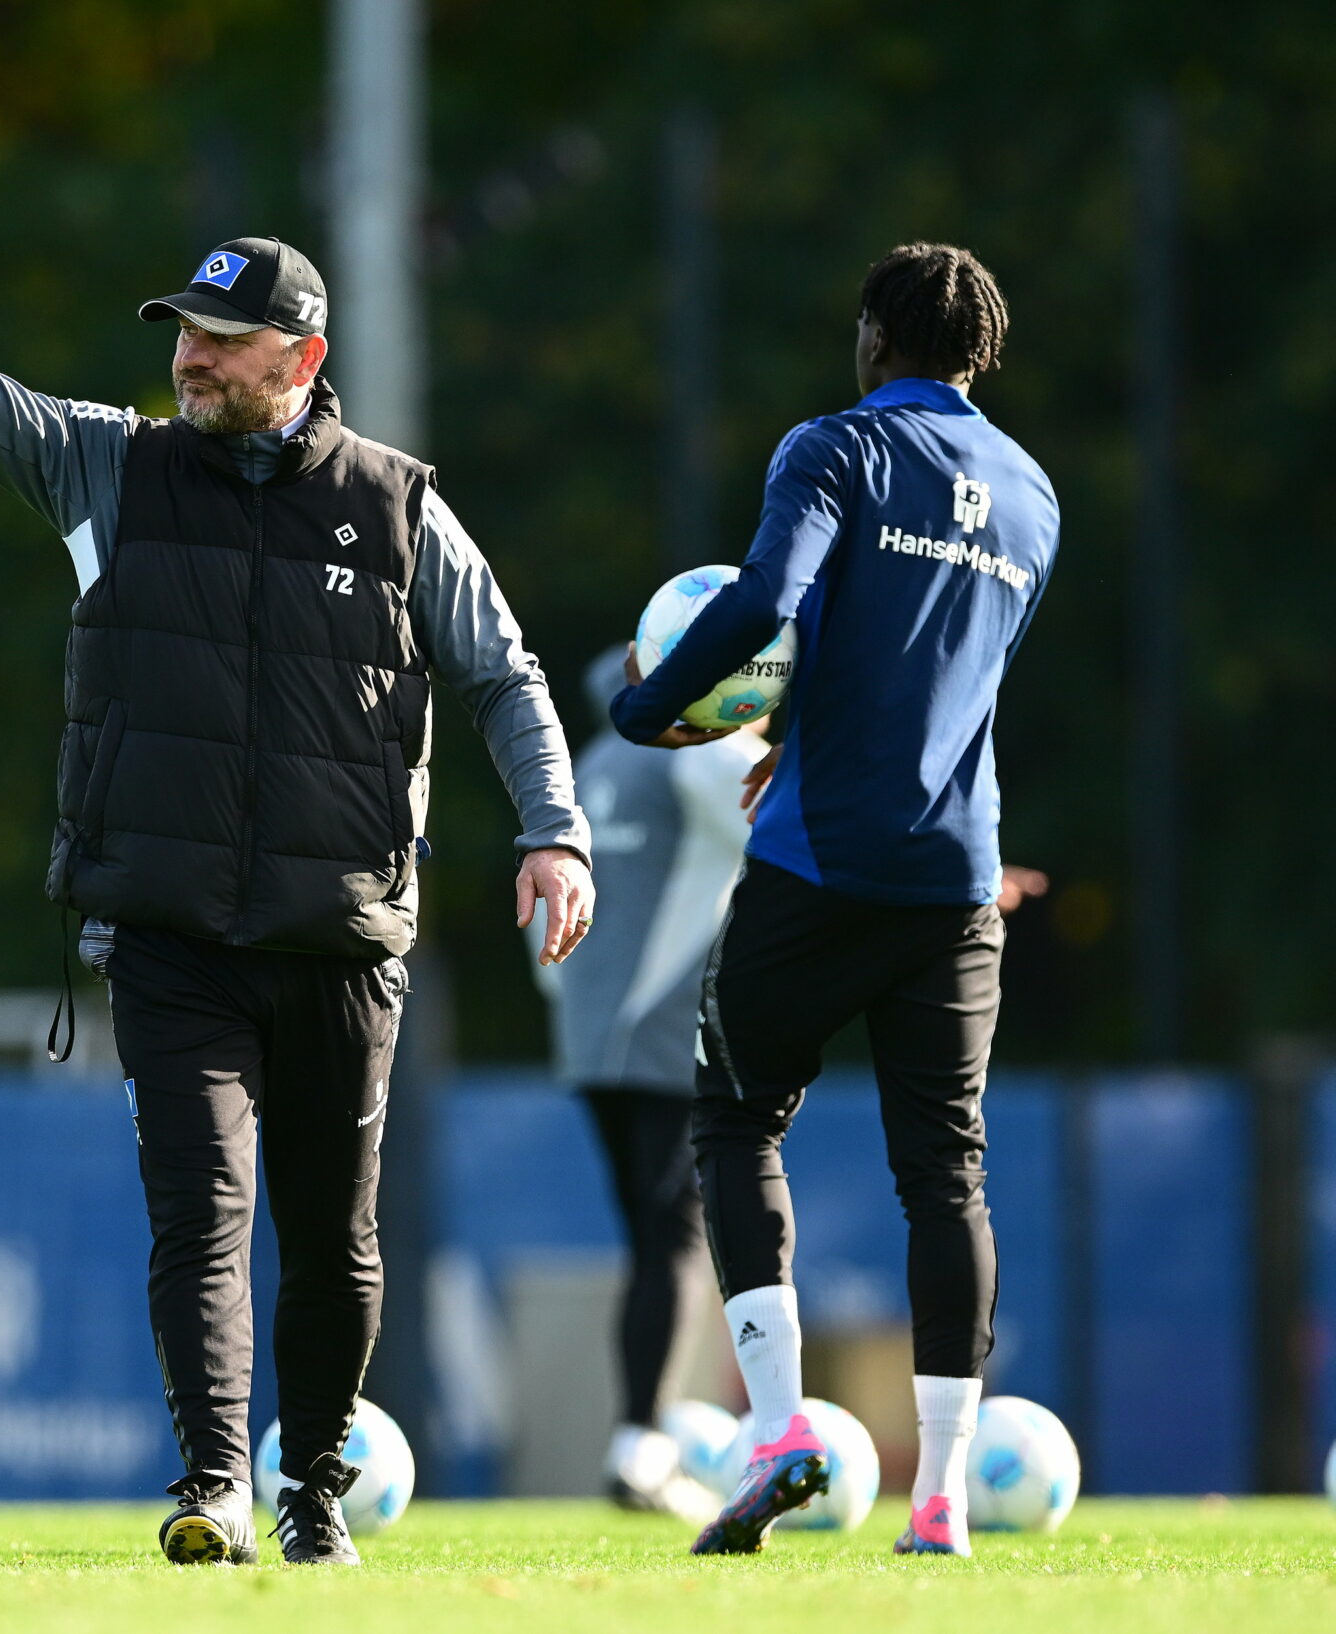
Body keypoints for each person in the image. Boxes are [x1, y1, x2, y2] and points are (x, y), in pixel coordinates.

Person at [0, 140, 593, 1566]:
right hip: (167, 935)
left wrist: (555, 829)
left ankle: (312, 1491)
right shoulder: (114, 465)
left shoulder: (398, 505)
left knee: (335, 1244)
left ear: (303, 355)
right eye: (185, 336)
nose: (191, 360)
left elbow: (507, 675)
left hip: (341, 933)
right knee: (202, 1215)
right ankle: (213, 1477)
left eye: (221, 341)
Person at [609, 243, 1059, 1557]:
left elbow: (770, 600)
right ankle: (942, 1497)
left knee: (738, 1116)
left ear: (874, 333)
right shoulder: (1034, 493)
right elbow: (938, 669)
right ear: (984, 348)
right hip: (956, 879)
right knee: (946, 1175)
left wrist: (650, 706)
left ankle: (782, 1428)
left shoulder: (833, 448)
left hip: (818, 866)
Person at [529, 644, 766, 1522]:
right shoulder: (702, 754)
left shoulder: (589, 757)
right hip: (667, 1034)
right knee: (673, 1239)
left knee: (651, 1237)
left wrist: (580, 1011)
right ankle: (640, 1450)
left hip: (590, 1037)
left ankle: (641, 1441)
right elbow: (802, 832)